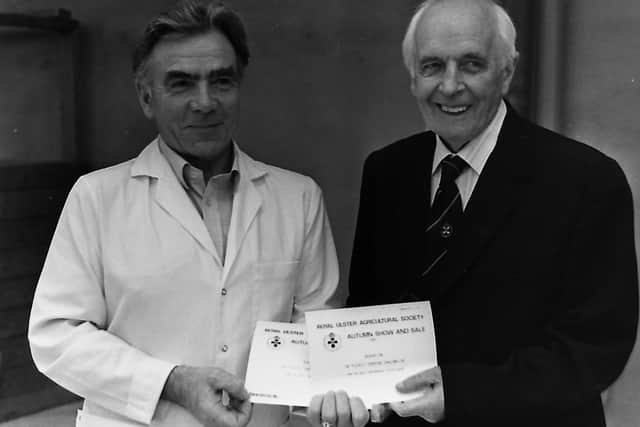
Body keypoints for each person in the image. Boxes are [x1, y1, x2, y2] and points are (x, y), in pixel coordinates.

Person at [316, 0, 638, 426]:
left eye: (471, 64)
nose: (450, 86)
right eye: (432, 66)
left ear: (507, 72)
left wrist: (460, 394)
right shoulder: (387, 172)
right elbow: (370, 314)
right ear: (413, 77)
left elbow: (594, 349)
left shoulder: (586, 180)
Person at [28, 1, 340, 426]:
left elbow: (319, 336)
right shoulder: (96, 198)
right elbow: (56, 337)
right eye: (181, 84)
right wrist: (171, 382)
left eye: (221, 81)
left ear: (239, 86)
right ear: (146, 97)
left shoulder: (298, 198)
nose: (205, 102)